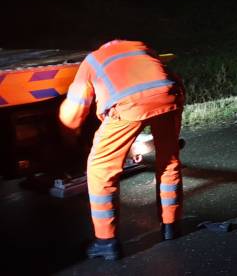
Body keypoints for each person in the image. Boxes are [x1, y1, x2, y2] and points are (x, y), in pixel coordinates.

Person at [59, 40, 185, 260]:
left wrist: (68, 136)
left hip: (127, 106)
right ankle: (171, 227)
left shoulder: (92, 61)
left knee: (101, 169)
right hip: (170, 96)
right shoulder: (142, 48)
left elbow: (74, 112)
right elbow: (167, 74)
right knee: (168, 161)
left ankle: (106, 242)